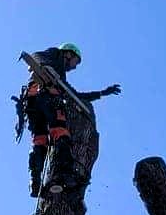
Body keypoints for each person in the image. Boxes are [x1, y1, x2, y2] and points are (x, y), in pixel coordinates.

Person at [23, 42, 121, 196]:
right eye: (76, 61)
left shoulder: (60, 76)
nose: (74, 67)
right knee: (60, 132)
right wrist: (47, 69)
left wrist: (101, 93)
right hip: (46, 95)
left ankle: (35, 183)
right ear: (68, 54)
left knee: (40, 140)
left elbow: (76, 96)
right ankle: (63, 174)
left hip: (32, 103)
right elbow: (36, 56)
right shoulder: (54, 54)